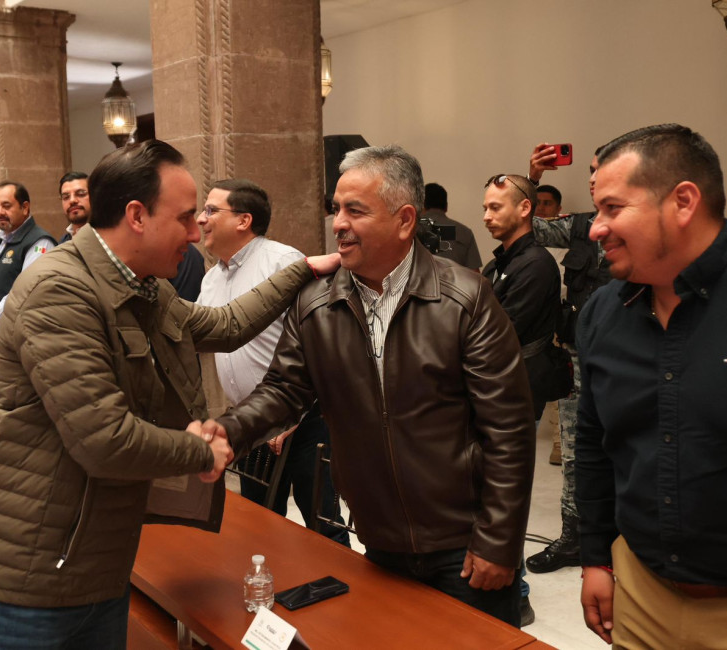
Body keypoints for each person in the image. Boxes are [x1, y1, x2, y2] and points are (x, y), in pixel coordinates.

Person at [0, 139, 340, 649]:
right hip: (29, 585)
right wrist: (204, 449)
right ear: (137, 216)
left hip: (96, 566)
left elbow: (224, 325)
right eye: (184, 217)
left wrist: (301, 271)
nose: (196, 232)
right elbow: (103, 438)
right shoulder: (61, 288)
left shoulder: (144, 288)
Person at [207, 144, 536, 627]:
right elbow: (283, 390)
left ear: (404, 220)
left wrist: (499, 541)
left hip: (465, 544)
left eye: (355, 211)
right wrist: (227, 432)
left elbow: (509, 429)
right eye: (336, 208)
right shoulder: (316, 304)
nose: (338, 223)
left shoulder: (464, 298)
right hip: (379, 539)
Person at [577, 124, 727, 648]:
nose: (596, 229)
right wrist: (596, 558)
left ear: (683, 201)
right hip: (640, 596)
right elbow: (596, 443)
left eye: (612, 208)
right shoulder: (603, 312)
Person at [196, 178, 349, 545]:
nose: (201, 219)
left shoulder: (282, 262)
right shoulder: (212, 277)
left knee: (324, 528)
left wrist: (291, 417)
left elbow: (321, 344)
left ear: (243, 220)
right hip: (251, 421)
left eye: (211, 210)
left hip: (303, 421)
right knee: (259, 526)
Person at [524, 144, 611, 576]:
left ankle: (624, 545)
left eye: (601, 170)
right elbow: (525, 226)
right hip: (578, 359)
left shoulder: (650, 227)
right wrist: (532, 179)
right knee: (575, 452)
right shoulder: (580, 227)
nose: (592, 178)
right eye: (590, 171)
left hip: (628, 365)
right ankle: (573, 537)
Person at [481, 174, 561, 421]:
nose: (486, 217)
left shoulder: (536, 264)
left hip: (516, 388)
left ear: (525, 208)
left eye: (495, 207)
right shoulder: (497, 264)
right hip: (494, 383)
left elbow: (502, 333)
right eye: (485, 208)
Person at [0, 181, 55, 347]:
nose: (0, 212)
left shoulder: (40, 242)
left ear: (25, 207)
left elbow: (26, 293)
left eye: (6, 206)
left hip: (25, 337)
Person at [421, 182, 482, 269]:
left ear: (422, 205)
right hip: (458, 278)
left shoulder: (410, 230)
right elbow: (474, 272)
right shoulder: (464, 232)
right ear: (446, 206)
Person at [58, 171, 91, 242]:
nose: (72, 200)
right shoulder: (63, 242)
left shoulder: (108, 238)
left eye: (81, 194)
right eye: (66, 197)